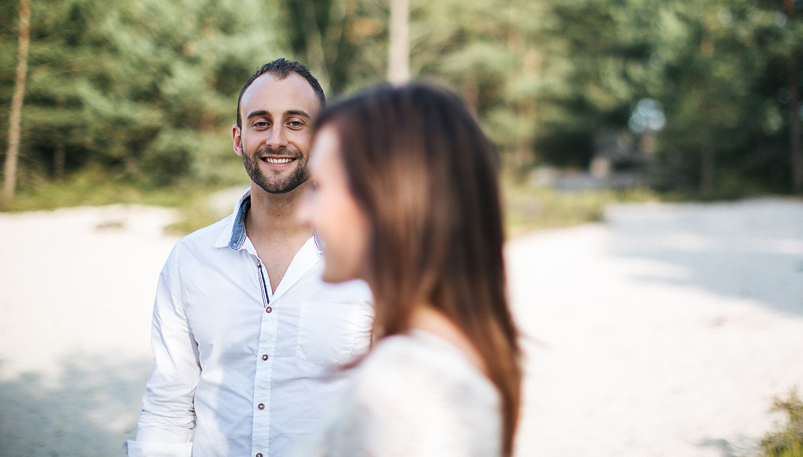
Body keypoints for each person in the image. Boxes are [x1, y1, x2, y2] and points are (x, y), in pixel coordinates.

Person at [125, 58, 374, 457]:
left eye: (296, 122)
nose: (276, 139)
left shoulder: (373, 261)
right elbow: (168, 407)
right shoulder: (190, 261)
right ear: (238, 139)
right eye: (261, 123)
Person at [296, 81, 523, 457]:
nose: (304, 214)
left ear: (385, 198)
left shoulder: (405, 386)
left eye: (319, 186)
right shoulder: (458, 352)